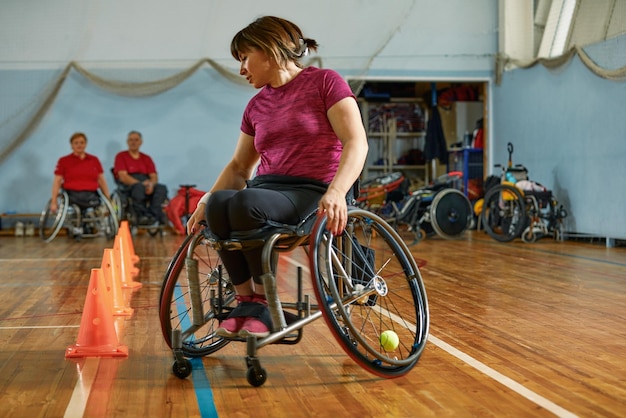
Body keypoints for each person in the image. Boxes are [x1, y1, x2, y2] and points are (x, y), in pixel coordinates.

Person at [186, 16, 368, 338]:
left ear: (269, 50)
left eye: (244, 57)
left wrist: (338, 191)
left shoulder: (325, 82)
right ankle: (248, 301)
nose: (241, 68)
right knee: (218, 205)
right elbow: (239, 167)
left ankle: (265, 304)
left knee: (246, 204)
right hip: (269, 191)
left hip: (315, 191)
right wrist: (205, 200)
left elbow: (356, 142)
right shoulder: (256, 106)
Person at [113, 130, 168, 225]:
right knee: (138, 188)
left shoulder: (146, 158)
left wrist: (151, 184)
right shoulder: (121, 156)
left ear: (140, 142)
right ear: (127, 142)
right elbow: (123, 176)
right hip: (130, 185)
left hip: (146, 182)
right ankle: (141, 215)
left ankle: (153, 215)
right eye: (131, 140)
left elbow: (154, 176)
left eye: (136, 140)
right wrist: (141, 184)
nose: (133, 142)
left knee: (161, 188)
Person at [50, 132, 111, 214]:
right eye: (76, 143)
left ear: (86, 144)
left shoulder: (94, 160)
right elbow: (57, 181)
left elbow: (101, 180)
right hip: (72, 195)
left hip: (91, 194)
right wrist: (54, 202)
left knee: (99, 206)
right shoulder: (64, 161)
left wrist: (108, 198)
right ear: (71, 145)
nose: (79, 145)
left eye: (82, 142)